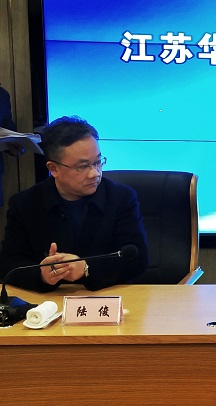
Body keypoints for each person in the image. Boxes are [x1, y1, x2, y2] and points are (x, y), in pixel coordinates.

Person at [0, 116, 148, 292]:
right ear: (53, 169)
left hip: (106, 297)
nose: (95, 173)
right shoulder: (25, 204)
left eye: (98, 162)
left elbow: (137, 260)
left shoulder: (121, 198)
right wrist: (41, 275)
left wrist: (86, 268)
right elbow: (10, 263)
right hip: (49, 301)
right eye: (82, 166)